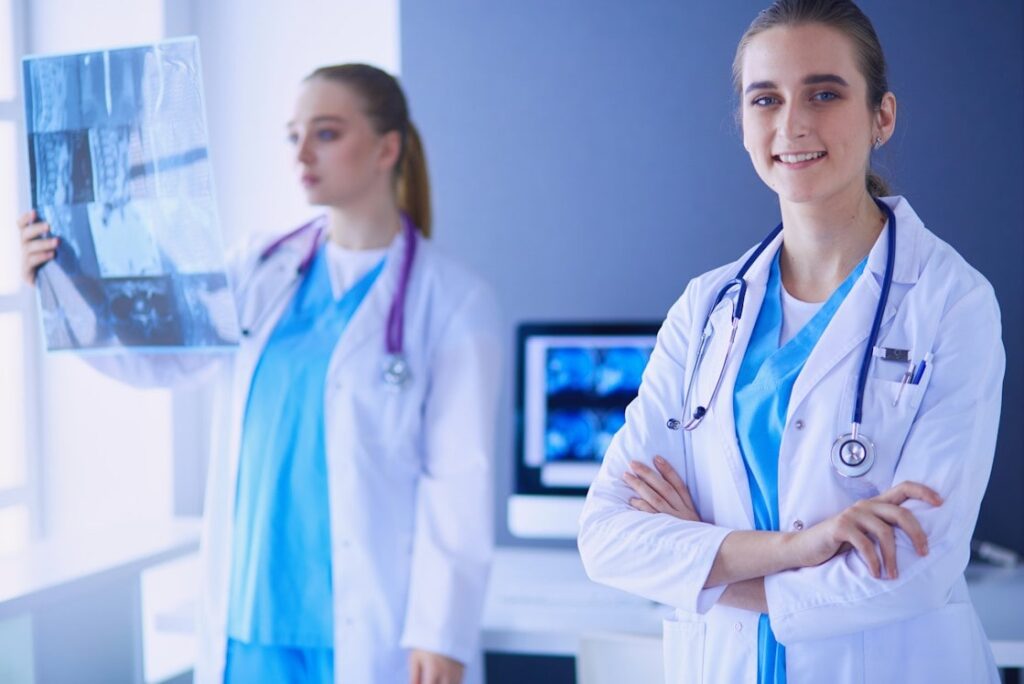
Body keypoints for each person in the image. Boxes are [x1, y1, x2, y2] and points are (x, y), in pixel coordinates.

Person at [18, 63, 502, 684]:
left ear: (388, 147)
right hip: (250, 619)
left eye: (326, 133)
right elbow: (164, 362)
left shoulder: (454, 301)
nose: (301, 152)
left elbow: (458, 482)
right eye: (292, 134)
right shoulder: (258, 268)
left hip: (367, 625)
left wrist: (441, 632)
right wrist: (63, 286)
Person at [577, 2, 1004, 683]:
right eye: (765, 98)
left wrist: (705, 563)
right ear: (744, 125)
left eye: (824, 93)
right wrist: (798, 548)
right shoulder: (706, 308)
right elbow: (607, 537)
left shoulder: (951, 303)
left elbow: (918, 565)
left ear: (881, 116)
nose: (792, 124)